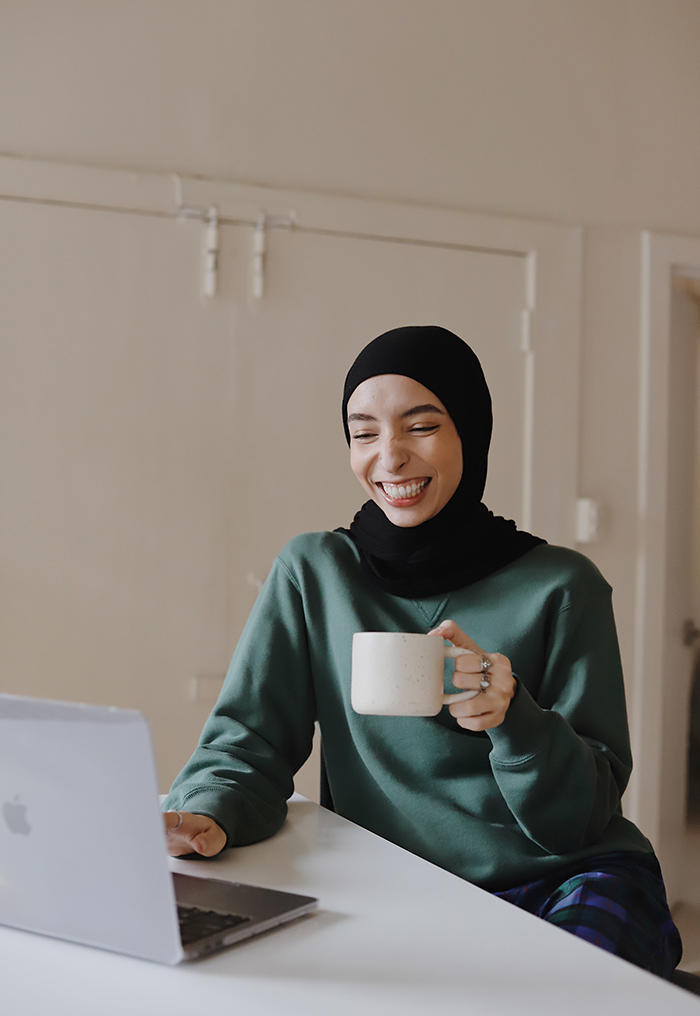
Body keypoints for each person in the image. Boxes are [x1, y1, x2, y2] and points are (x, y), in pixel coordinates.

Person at [163, 325, 681, 977]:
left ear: (471, 430)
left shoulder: (562, 585)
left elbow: (581, 820)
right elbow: (247, 745)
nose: (391, 457)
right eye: (365, 432)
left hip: (563, 878)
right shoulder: (313, 572)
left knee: (563, 995)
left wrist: (511, 716)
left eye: (422, 426)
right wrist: (205, 812)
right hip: (395, 887)